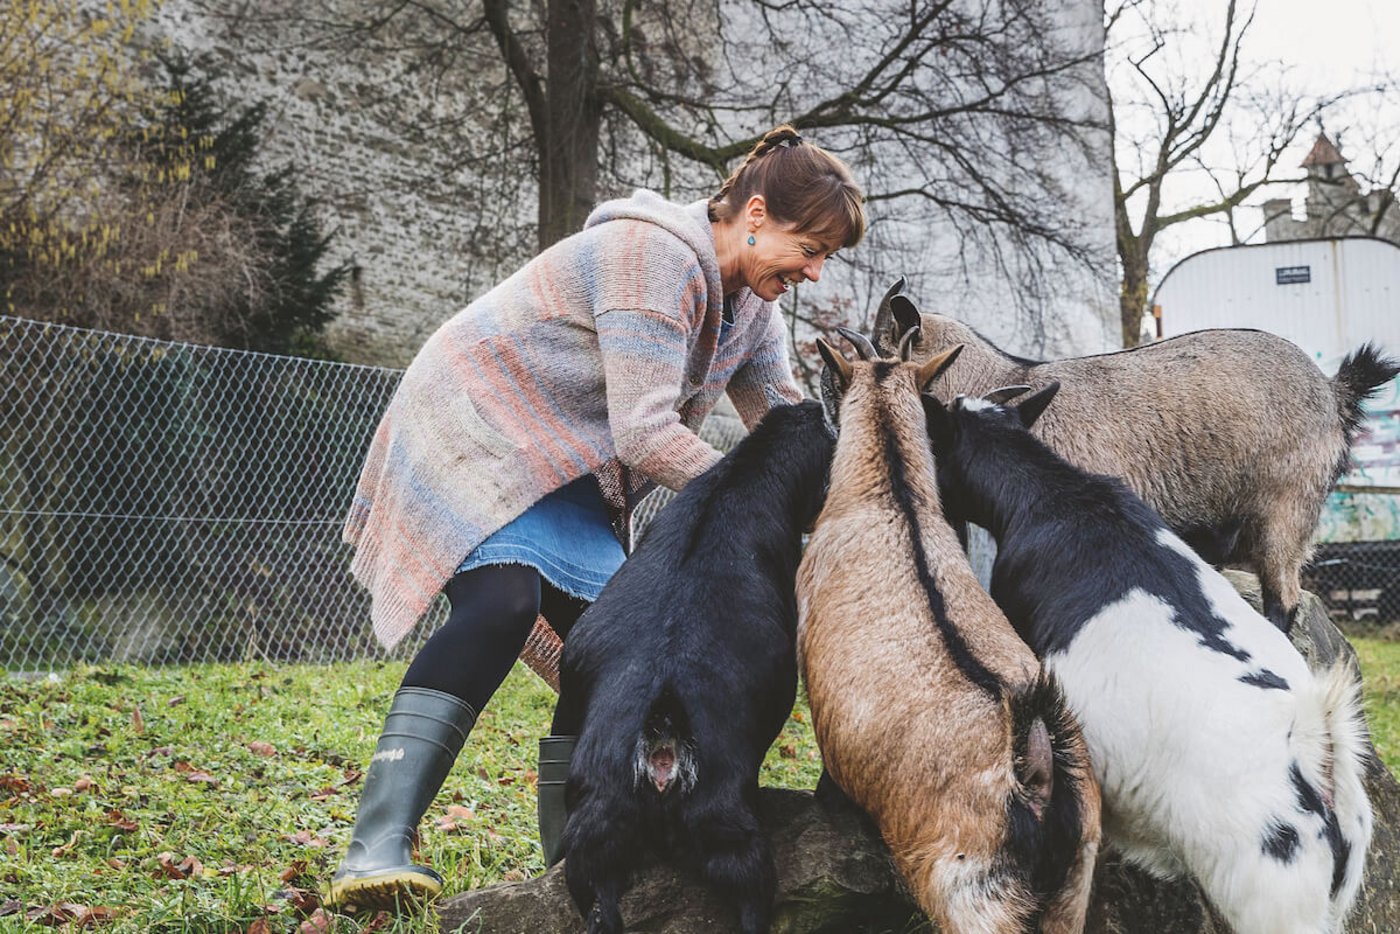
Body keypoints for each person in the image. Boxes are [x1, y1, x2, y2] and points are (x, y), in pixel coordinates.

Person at [324, 124, 866, 913]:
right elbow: (645, 433)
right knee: (503, 603)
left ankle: (569, 863)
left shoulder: (753, 310)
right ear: (756, 213)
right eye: (809, 246)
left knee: (620, 649)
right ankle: (377, 845)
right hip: (479, 422)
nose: (815, 271)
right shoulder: (654, 257)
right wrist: (743, 505)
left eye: (827, 257)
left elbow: (785, 427)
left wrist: (857, 505)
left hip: (569, 461)